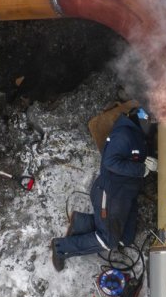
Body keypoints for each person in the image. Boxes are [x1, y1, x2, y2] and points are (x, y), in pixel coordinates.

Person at [51, 107, 155, 271]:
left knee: (125, 239)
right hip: (111, 193)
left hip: (127, 194)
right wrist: (141, 169)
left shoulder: (138, 136)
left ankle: (81, 222)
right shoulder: (124, 136)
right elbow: (110, 162)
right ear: (141, 121)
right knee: (109, 240)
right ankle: (61, 247)